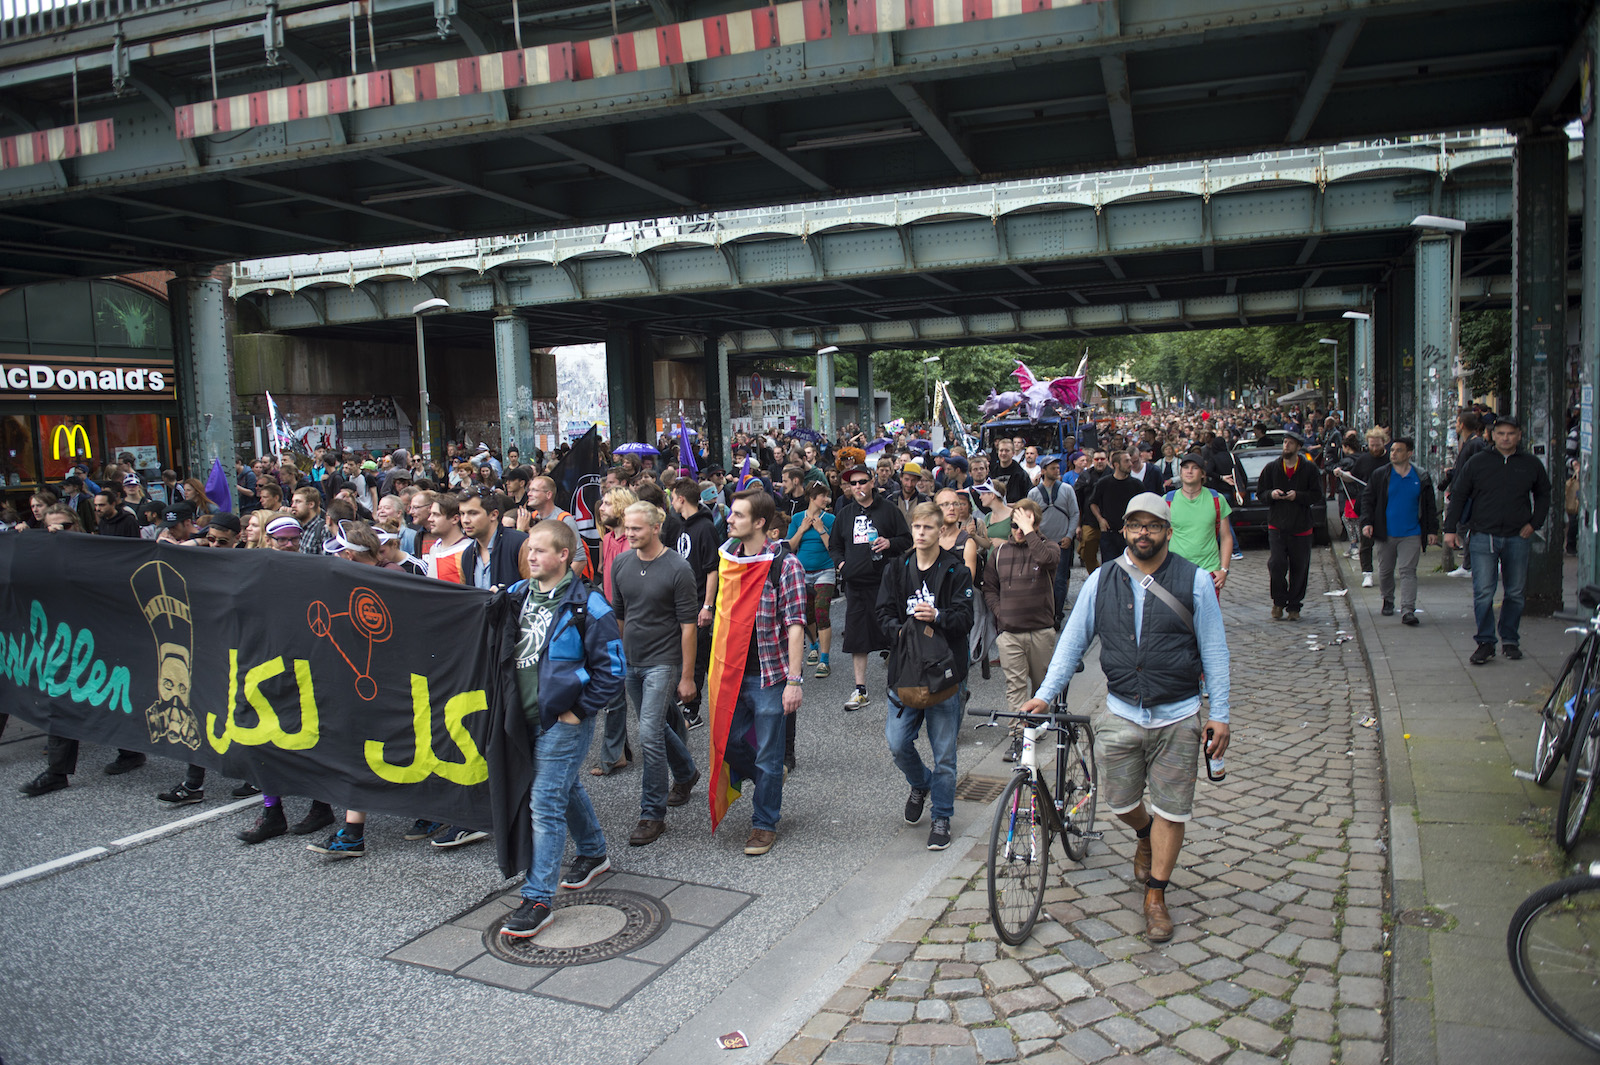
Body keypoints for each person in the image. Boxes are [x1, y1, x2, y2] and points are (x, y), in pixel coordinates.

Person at [1021, 492, 1230, 942]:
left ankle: (1156, 895)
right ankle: (1144, 831)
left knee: (1173, 809)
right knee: (1119, 802)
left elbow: (1215, 650)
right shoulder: (1102, 579)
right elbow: (1072, 642)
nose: (1143, 533)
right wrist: (1044, 695)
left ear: (1168, 531)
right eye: (1135, 525)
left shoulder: (1194, 581)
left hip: (1179, 714)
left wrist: (1221, 713)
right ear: (1126, 530)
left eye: (1152, 525)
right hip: (1121, 711)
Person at [500, 519, 625, 939]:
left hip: (563, 722)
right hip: (522, 718)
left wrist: (580, 710)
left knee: (545, 801)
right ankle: (594, 851)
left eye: (539, 550)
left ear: (563, 556)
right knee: (564, 787)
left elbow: (613, 671)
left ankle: (538, 899)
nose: (530, 555)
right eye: (529, 549)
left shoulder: (590, 605)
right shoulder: (515, 595)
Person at [705, 488, 807, 856]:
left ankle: (764, 822)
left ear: (760, 522)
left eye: (738, 515)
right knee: (728, 744)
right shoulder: (729, 558)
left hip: (769, 676)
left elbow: (795, 624)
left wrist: (794, 681)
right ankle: (770, 777)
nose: (729, 520)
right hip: (730, 674)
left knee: (767, 755)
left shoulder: (786, 565)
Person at [876, 501, 974, 850]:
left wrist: (938, 616)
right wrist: (901, 631)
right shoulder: (897, 568)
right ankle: (920, 783)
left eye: (928, 527)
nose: (920, 533)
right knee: (897, 743)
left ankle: (942, 816)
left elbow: (966, 618)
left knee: (944, 754)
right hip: (905, 671)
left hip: (944, 675)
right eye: (916, 527)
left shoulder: (955, 570)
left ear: (940, 530)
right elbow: (882, 614)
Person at [610, 501, 702, 848]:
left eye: (636, 528)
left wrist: (687, 677)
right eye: (627, 527)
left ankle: (652, 814)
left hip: (663, 661)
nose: (629, 533)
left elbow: (688, 626)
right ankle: (686, 773)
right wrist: (617, 658)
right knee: (657, 726)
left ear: (655, 527)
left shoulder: (678, 568)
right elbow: (620, 614)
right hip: (631, 661)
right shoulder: (621, 563)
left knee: (648, 732)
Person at [1442, 416, 1552, 665]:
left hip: (1517, 536)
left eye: (1510, 434)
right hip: (1483, 535)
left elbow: (1544, 493)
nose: (1505, 438)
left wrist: (1535, 523)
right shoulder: (1478, 462)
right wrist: (1450, 529)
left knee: (1515, 592)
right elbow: (1459, 494)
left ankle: (1510, 640)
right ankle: (1485, 642)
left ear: (1519, 435)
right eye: (1500, 433)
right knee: (1483, 592)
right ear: (1492, 435)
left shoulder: (1530, 464)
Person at [830, 463, 913, 711]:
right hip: (856, 584)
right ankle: (860, 689)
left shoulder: (888, 510)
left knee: (894, 633)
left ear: (872, 482)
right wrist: (842, 565)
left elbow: (906, 539)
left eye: (862, 482)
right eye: (853, 483)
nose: (858, 487)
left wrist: (889, 543)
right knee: (858, 638)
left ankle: (900, 684)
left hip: (886, 583)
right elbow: (834, 546)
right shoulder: (845, 513)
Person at [982, 499, 1061, 759]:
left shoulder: (1049, 547)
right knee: (1015, 687)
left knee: (1041, 685)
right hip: (1011, 633)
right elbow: (989, 587)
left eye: (1025, 524)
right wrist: (1000, 612)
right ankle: (1019, 736)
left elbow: (1046, 559)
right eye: (1015, 524)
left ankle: (1039, 724)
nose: (1019, 530)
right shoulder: (1000, 552)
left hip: (1041, 631)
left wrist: (1029, 531)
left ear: (1036, 524)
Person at [1359, 437, 1438, 626]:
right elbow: (1368, 499)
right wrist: (1367, 522)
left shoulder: (1421, 477)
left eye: (1398, 450)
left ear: (1409, 453)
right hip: (1385, 532)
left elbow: (1429, 506)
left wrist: (1432, 530)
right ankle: (1388, 599)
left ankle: (1408, 609)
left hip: (1411, 532)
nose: (1393, 454)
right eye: (1392, 450)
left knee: (1408, 571)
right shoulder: (1381, 475)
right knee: (1386, 570)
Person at [591, 487, 637, 777]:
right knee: (614, 689)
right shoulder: (607, 538)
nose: (601, 507)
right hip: (611, 621)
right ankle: (615, 752)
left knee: (648, 693)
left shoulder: (633, 542)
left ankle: (675, 746)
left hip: (634, 624)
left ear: (621, 507)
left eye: (608, 503)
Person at [1256, 432, 1322, 621]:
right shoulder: (1272, 468)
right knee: (1276, 564)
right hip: (1277, 524)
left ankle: (1294, 605)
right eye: (1285, 442)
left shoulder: (1309, 469)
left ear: (1298, 447)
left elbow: (1317, 494)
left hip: (1301, 526)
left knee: (1299, 567)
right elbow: (1261, 493)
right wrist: (1271, 495)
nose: (1286, 446)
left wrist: (1298, 496)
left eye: (1290, 443)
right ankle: (1278, 601)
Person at [787, 482, 837, 685]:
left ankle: (824, 659)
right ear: (812, 497)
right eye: (822, 496)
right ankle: (814, 646)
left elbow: (834, 548)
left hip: (825, 571)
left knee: (821, 611)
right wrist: (801, 530)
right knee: (806, 614)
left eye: (827, 496)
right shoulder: (797, 518)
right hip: (802, 573)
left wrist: (821, 530)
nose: (826, 499)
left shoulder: (831, 519)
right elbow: (789, 546)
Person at [1164, 455, 1233, 596]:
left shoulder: (1216, 499)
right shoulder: (1167, 501)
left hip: (1209, 571)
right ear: (1180, 472)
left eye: (1195, 468)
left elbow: (1226, 537)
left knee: (1208, 611)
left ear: (1202, 474)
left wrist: (1224, 570)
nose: (1189, 471)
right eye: (1185, 467)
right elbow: (1158, 538)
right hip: (1176, 571)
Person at [1028, 456, 1079, 627]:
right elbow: (1030, 518)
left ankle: (1057, 614)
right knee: (1040, 578)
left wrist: (1069, 536)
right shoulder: (1034, 493)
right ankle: (1043, 612)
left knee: (1060, 579)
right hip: (1042, 543)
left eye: (1058, 468)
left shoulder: (1067, 489)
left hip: (1062, 542)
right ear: (1043, 471)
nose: (1057, 470)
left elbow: (1074, 514)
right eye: (1052, 468)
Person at [1335, 429, 1390, 587]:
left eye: (1377, 445)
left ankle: (1387, 570)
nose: (1374, 448)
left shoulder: (1390, 459)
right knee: (1366, 540)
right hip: (1367, 504)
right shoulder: (1364, 459)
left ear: (1384, 443)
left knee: (1388, 542)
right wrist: (1342, 474)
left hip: (1387, 504)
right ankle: (1367, 573)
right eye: (1371, 445)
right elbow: (1353, 477)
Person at [1089, 450, 1143, 563]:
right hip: (1109, 534)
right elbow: (1093, 503)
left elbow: (1143, 507)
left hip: (1131, 534)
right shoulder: (1103, 483)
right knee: (1110, 568)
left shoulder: (1137, 484)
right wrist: (1100, 519)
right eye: (1126, 461)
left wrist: (1133, 523)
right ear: (1116, 464)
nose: (1130, 464)